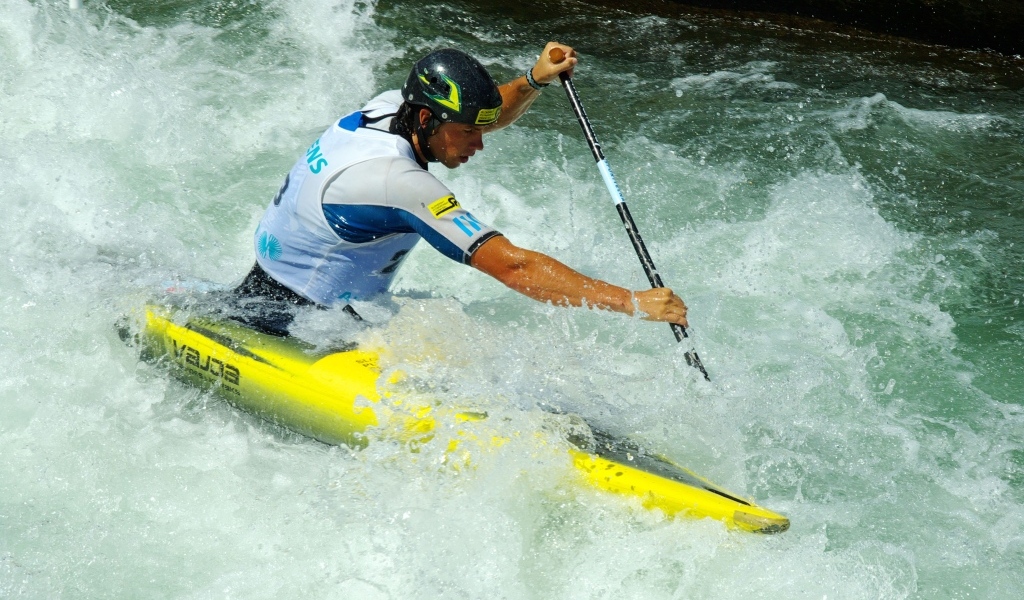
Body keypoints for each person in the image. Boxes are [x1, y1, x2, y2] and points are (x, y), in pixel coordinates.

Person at [234, 42, 688, 333]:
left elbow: (484, 114)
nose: (480, 145)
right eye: (469, 133)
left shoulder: (390, 107)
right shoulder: (400, 183)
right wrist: (631, 302)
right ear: (428, 120)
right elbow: (514, 268)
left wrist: (533, 80)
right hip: (301, 325)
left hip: (273, 286)